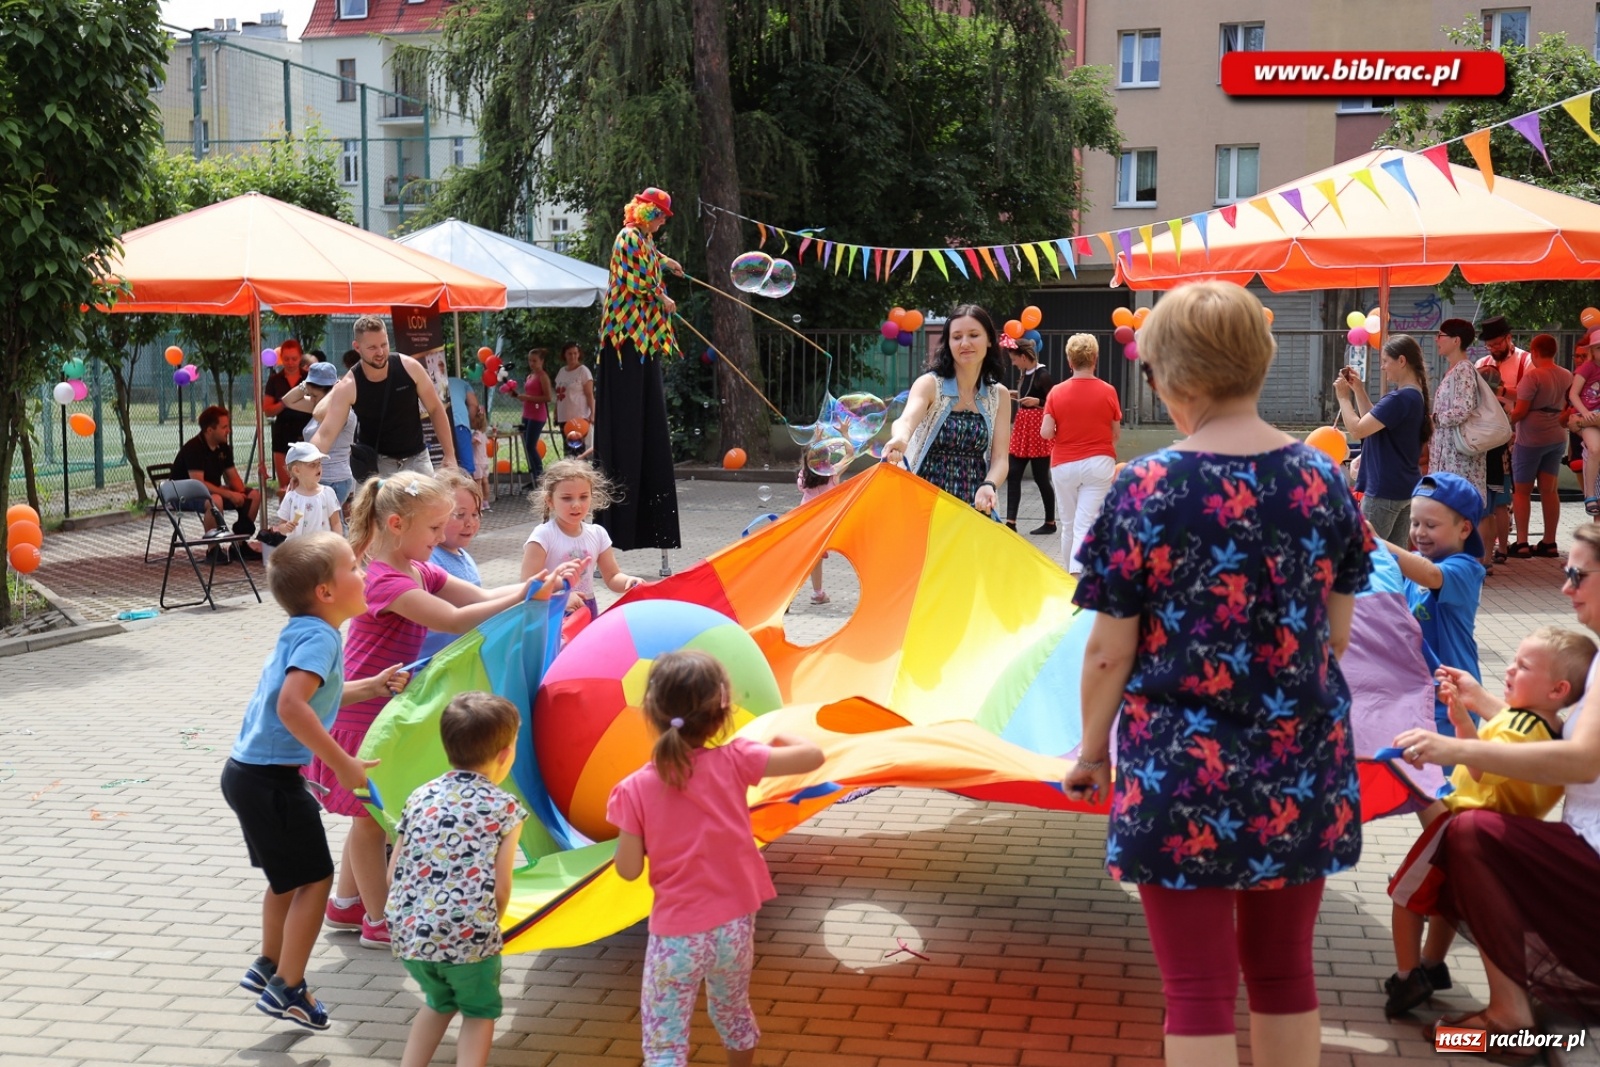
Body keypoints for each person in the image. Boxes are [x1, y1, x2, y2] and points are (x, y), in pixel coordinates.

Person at [1064, 282, 1371, 1067]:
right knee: (1284, 975)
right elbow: (1335, 633)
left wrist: (1091, 752)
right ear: (1261, 363)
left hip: (1178, 772)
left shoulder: (1145, 488)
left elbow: (1108, 652)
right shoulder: (1323, 479)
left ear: (1168, 377)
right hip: (1302, 765)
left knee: (1197, 990)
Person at [312, 473, 575, 950]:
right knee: (370, 821)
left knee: (371, 815)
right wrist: (527, 594)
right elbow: (453, 620)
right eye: (434, 528)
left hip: (385, 709)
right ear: (396, 524)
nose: (441, 537)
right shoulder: (383, 581)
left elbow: (477, 599)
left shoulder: (419, 568)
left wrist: (533, 588)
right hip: (359, 715)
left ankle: (347, 905)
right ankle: (377, 919)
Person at [1394, 521, 1600, 1039]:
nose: (1564, 587)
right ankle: (1498, 1001)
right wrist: (1480, 702)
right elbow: (1543, 734)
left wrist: (1452, 746)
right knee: (1472, 830)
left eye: (1577, 574)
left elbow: (1580, 761)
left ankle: (1507, 1017)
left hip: (1589, 857)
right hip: (1581, 844)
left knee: (1471, 831)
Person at [220, 533, 408, 1030]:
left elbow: (317, 697)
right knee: (315, 881)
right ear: (326, 591)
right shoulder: (321, 637)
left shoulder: (305, 630)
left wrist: (374, 685)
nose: (364, 575)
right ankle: (290, 988)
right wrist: (344, 761)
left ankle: (269, 964)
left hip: (246, 775)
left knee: (287, 880)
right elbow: (291, 706)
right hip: (273, 782)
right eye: (353, 567)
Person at [606, 650, 825, 1067]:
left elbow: (629, 869)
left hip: (677, 935)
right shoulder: (737, 758)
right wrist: (781, 738)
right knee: (733, 1011)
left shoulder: (633, 789)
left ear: (650, 711)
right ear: (722, 710)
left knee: (665, 1040)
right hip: (735, 926)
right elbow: (813, 757)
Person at [1382, 626, 1591, 1018]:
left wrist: (1453, 741)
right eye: (1512, 661)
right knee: (1447, 903)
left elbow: (1480, 767)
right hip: (1503, 835)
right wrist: (1466, 714)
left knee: (1405, 896)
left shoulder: (1518, 728)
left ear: (1557, 690)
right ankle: (1433, 965)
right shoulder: (1552, 730)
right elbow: (1495, 751)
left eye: (1524, 666)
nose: (1510, 670)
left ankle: (1407, 977)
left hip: (1462, 821)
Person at [387, 692, 525, 1067]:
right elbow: (502, 886)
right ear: (504, 755)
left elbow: (393, 868)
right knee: (479, 1012)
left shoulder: (420, 796)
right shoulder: (506, 807)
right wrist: (489, 929)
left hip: (411, 934)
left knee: (439, 1001)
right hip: (468, 936)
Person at [594, 187, 682, 552]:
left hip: (644, 338)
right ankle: (617, 528)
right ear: (646, 212)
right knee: (627, 424)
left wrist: (666, 261)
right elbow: (633, 279)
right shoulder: (627, 236)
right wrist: (662, 296)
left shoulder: (642, 239)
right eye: (660, 215)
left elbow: (648, 258)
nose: (662, 222)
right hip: (625, 336)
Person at [1379, 473, 1486, 738]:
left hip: (1452, 696)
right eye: (1415, 523)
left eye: (1431, 525)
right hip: (1414, 692)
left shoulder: (1465, 568)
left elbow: (1430, 575)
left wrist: (1377, 543)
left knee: (1445, 773)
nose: (1419, 532)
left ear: (1464, 528)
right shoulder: (1412, 562)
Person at [881, 304, 1012, 515]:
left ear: (989, 340)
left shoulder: (1000, 395)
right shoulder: (930, 384)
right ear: (948, 343)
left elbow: (1000, 459)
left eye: (973, 335)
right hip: (923, 500)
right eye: (957, 336)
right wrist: (901, 438)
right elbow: (906, 420)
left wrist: (989, 484)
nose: (965, 343)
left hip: (973, 504)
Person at [309, 315, 457, 475]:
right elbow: (326, 433)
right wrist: (305, 465)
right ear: (357, 347)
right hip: (376, 465)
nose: (380, 352)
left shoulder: (410, 367)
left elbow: (435, 408)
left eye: (384, 344)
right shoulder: (349, 385)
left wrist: (450, 455)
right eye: (372, 347)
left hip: (417, 460)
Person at [1335, 334, 1433, 545]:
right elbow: (1373, 425)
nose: (1383, 367)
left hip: (1384, 490)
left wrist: (1343, 398)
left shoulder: (1399, 398)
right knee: (1395, 560)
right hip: (1403, 489)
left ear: (1402, 360)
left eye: (1386, 361)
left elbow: (1358, 430)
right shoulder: (1413, 396)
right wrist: (1358, 390)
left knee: (1366, 555)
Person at [520, 459, 645, 620]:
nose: (576, 505)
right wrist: (559, 598)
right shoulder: (543, 536)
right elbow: (527, 584)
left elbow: (613, 576)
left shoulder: (598, 534)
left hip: (587, 608)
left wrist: (629, 581)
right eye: (567, 498)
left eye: (583, 497)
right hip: (551, 611)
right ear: (550, 501)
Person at [1039, 332, 1121, 575]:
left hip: (1064, 464)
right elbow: (1116, 432)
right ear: (1095, 358)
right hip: (1099, 463)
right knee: (1086, 522)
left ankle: (1071, 575)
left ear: (1069, 361)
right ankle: (1081, 576)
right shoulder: (1108, 391)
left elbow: (1045, 433)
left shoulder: (1056, 392)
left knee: (1069, 524)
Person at [1507, 333, 1572, 559]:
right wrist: (1504, 392)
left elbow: (1522, 409)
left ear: (1534, 351)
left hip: (1530, 438)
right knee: (1550, 489)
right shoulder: (1566, 375)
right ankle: (1549, 541)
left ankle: (1522, 542)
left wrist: (1506, 423)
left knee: (1522, 491)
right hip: (1556, 436)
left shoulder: (1532, 376)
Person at [174, 404, 263, 557]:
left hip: (211, 492)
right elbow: (198, 484)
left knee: (253, 495)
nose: (229, 430)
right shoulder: (194, 448)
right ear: (210, 430)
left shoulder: (223, 448)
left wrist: (241, 494)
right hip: (184, 495)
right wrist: (229, 495)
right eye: (224, 427)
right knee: (216, 500)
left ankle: (239, 545)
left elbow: (233, 477)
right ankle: (213, 550)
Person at [1428, 319, 1486, 506]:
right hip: (1448, 453)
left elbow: (1463, 409)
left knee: (1456, 507)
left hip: (1457, 455)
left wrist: (1435, 418)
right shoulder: (1454, 370)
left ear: (1456, 340)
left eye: (1441, 335)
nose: (1437, 340)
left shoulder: (1463, 369)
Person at [1003, 337, 1056, 535]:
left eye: (1015, 359)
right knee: (1014, 473)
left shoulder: (1043, 375)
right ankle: (1011, 522)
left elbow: (1053, 401)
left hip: (1037, 429)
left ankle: (1050, 522)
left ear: (1024, 357)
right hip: (1023, 428)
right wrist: (1015, 394)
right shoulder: (1025, 374)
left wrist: (1038, 401)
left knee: (1041, 477)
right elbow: (1028, 393)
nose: (1014, 363)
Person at [293, 361, 357, 506]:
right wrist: (305, 385)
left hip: (334, 479)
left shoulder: (340, 412)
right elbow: (288, 400)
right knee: (325, 523)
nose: (312, 400)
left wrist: (336, 390)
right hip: (320, 476)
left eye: (314, 395)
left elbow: (318, 418)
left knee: (329, 524)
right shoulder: (320, 407)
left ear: (329, 393)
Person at [258, 442, 342, 549]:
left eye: (319, 463)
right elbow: (281, 527)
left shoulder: (327, 493)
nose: (318, 468)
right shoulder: (291, 498)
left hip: (322, 549)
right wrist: (286, 528)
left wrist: (339, 544)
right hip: (297, 551)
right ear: (297, 470)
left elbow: (336, 523)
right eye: (312, 464)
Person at [263, 339, 311, 491]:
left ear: (300, 357)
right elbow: (268, 410)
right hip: (282, 433)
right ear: (281, 358)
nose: (290, 363)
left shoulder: (309, 378)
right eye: (286, 359)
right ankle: (285, 514)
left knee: (307, 485)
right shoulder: (274, 380)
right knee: (285, 487)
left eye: (294, 359)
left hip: (306, 433)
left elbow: (319, 405)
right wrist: (285, 403)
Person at [429, 468, 484, 587]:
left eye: (475, 514)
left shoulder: (461, 553)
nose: (470, 523)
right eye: (460, 515)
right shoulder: (431, 562)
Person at [796, 462, 837, 604]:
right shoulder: (832, 473)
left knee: (806, 558)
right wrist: (846, 439)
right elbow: (850, 455)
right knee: (816, 558)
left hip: (806, 519)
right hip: (823, 521)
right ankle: (817, 593)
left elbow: (801, 487)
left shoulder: (804, 474)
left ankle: (789, 597)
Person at [1570, 334, 1600, 516]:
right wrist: (1585, 413)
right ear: (1592, 351)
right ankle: (1590, 494)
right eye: (1598, 348)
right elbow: (1573, 394)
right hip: (1586, 416)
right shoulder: (1587, 368)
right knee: (1595, 449)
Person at [517, 347, 553, 486]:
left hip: (538, 415)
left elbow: (547, 397)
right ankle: (534, 478)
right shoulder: (530, 376)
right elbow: (529, 395)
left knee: (531, 445)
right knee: (528, 447)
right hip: (527, 414)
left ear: (541, 361)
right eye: (530, 361)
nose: (532, 364)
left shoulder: (543, 376)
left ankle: (540, 478)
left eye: (535, 361)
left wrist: (528, 397)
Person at [468, 397, 492, 508]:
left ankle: (479, 502)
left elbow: (473, 442)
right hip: (485, 461)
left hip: (477, 462)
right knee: (485, 482)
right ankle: (486, 501)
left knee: (477, 482)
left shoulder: (476, 435)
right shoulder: (483, 434)